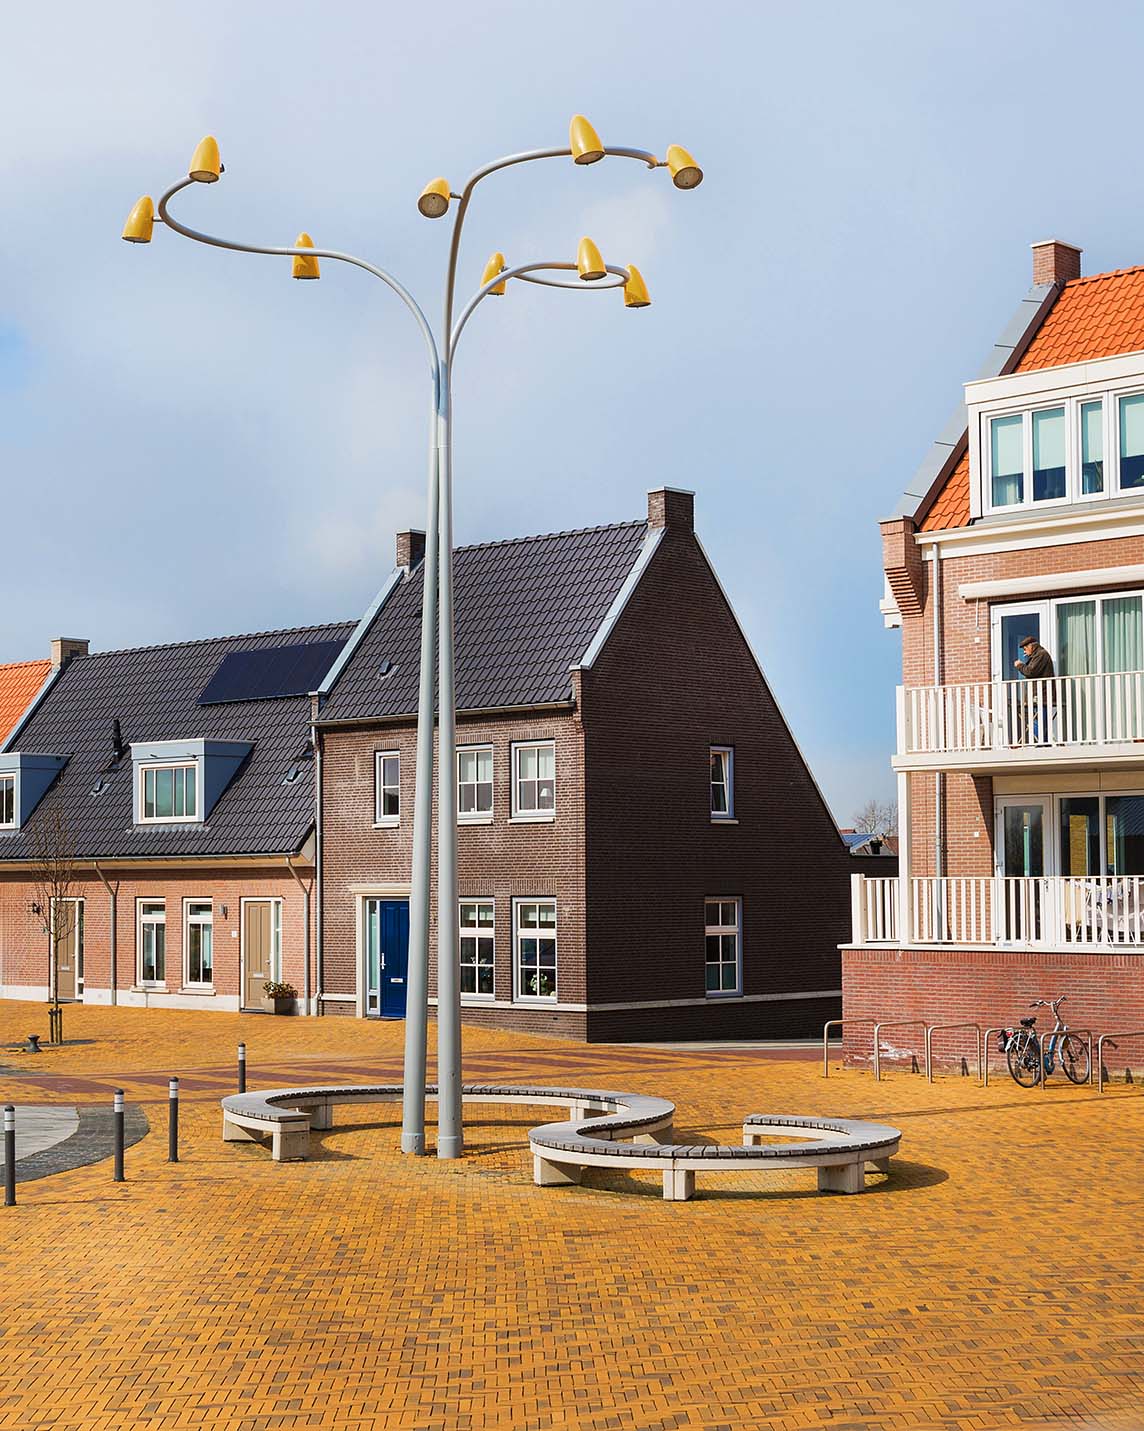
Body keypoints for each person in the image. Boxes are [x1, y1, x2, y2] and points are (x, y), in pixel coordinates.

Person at [1013, 635, 1055, 742]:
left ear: (1031, 646)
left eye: (1025, 649)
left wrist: (1019, 665)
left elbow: (1030, 672)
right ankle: (1041, 742)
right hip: (1038, 695)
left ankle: (1042, 742)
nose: (1025, 651)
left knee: (1040, 719)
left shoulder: (1041, 655)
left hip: (1043, 695)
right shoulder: (1036, 656)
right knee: (1038, 719)